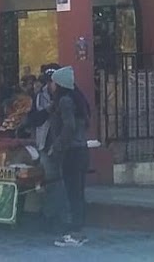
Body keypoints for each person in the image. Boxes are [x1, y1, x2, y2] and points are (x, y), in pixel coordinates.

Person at [46, 66, 90, 247]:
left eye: (53, 82)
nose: (50, 86)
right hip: (81, 150)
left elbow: (69, 127)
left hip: (71, 152)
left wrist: (56, 146)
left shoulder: (65, 101)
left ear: (59, 84)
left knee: (73, 193)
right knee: (77, 192)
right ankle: (78, 230)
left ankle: (75, 233)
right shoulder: (76, 99)